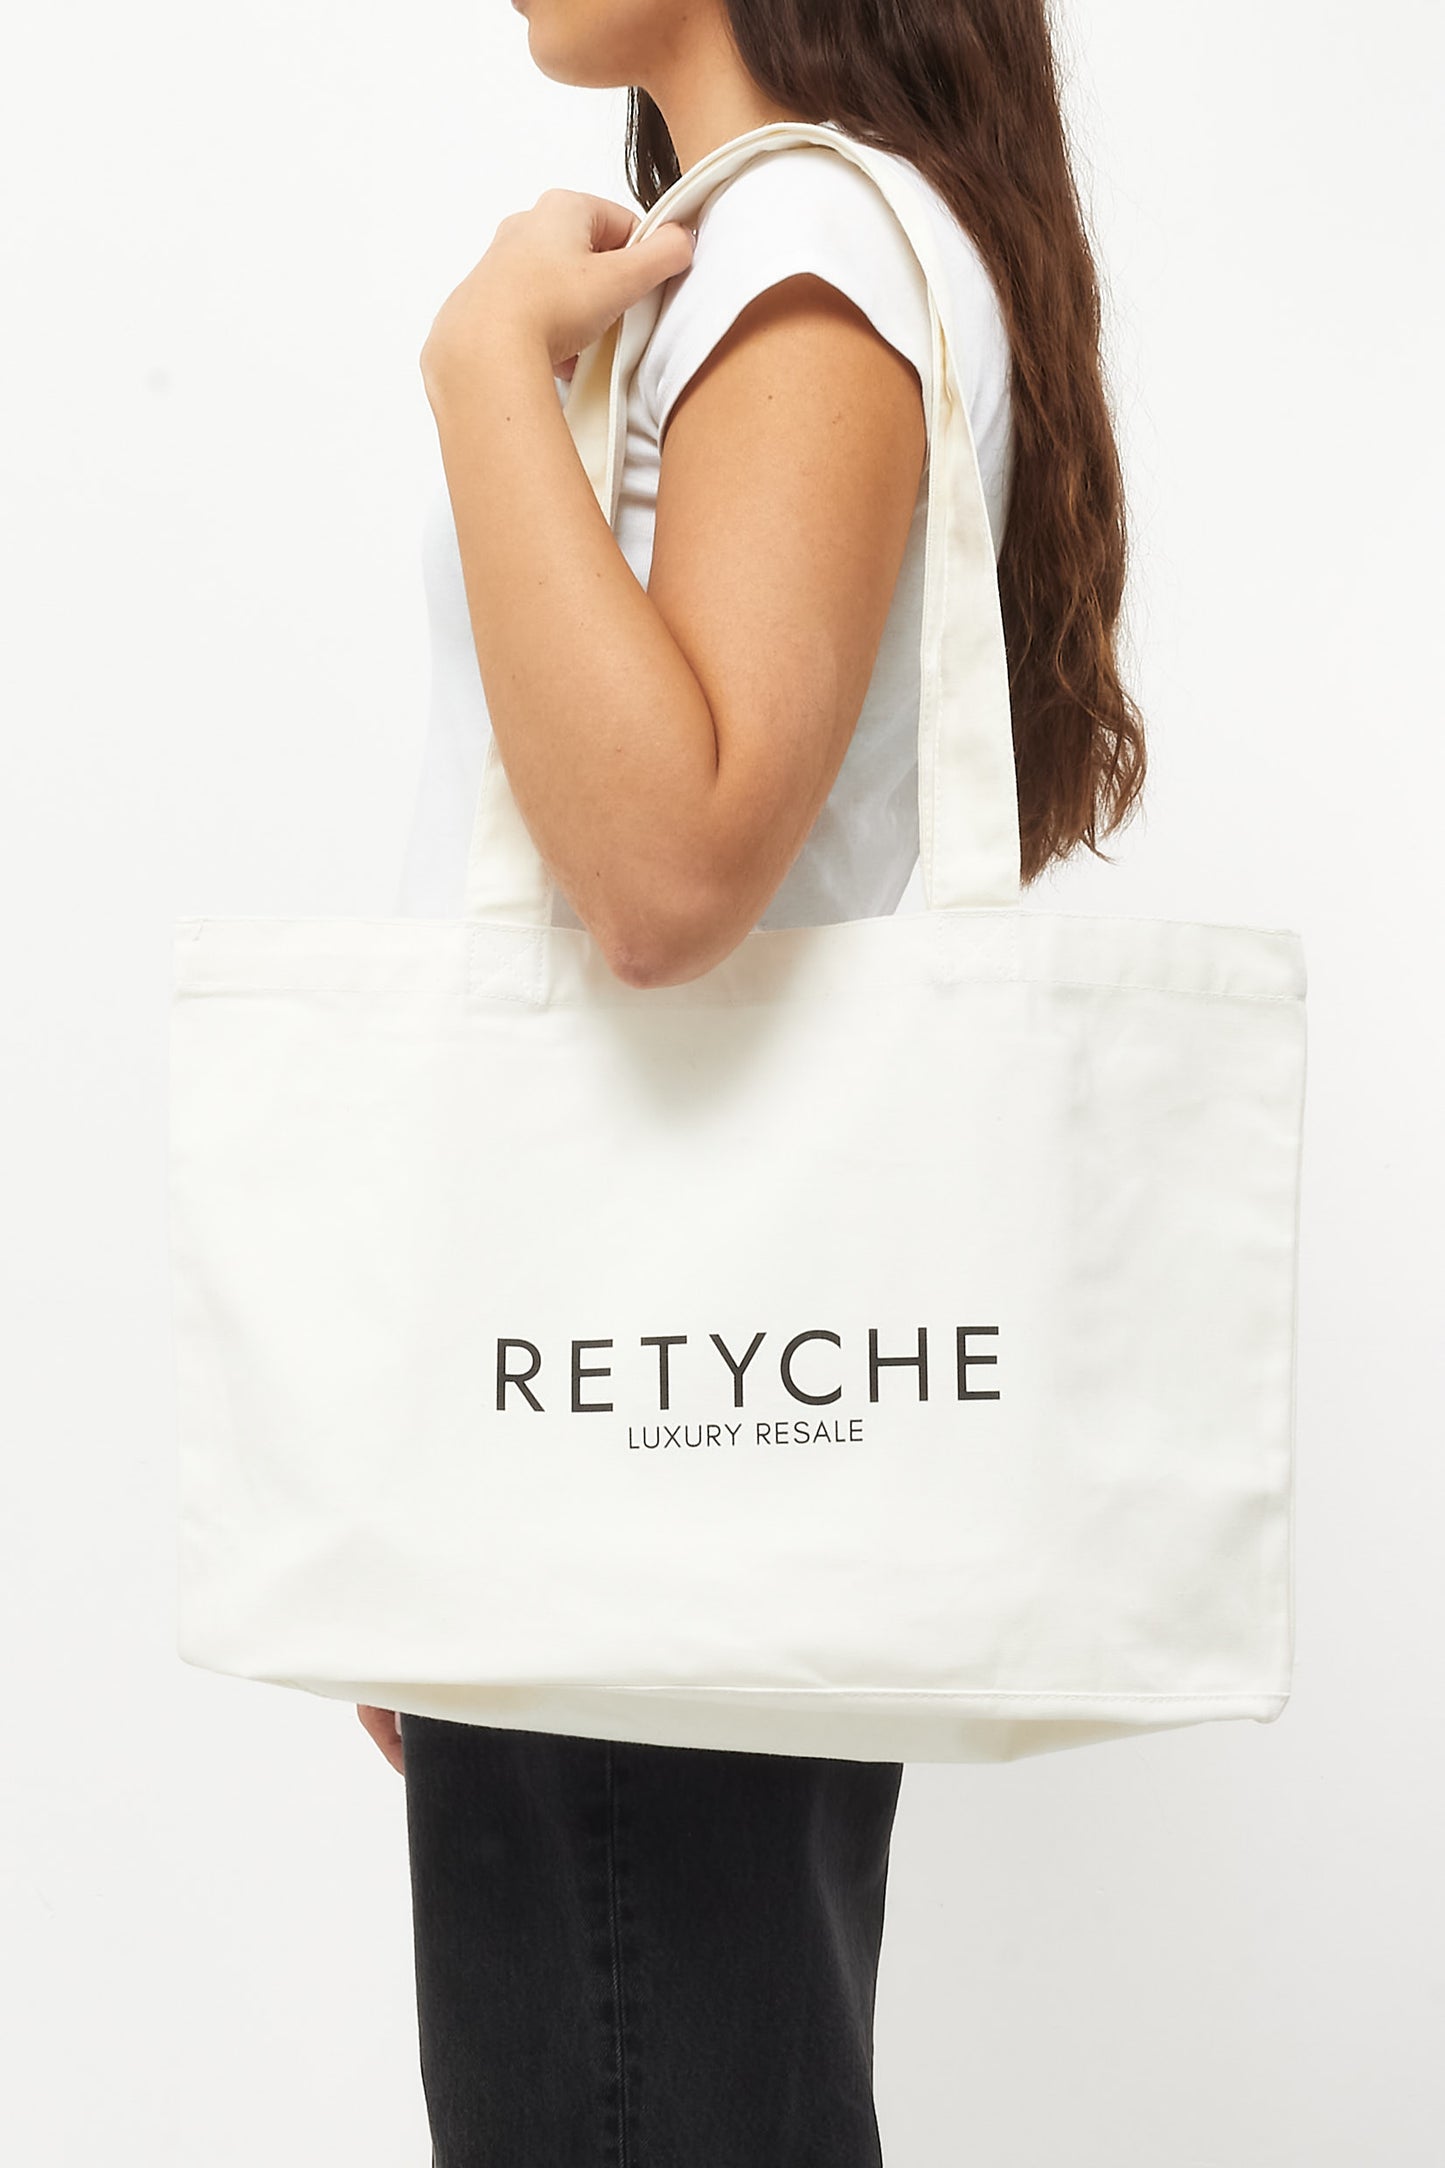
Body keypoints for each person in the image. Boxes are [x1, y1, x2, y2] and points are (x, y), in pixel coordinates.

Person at [358, 2, 1145, 2161]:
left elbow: (668, 870)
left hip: (646, 1401)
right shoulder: (776, 249)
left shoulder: (806, 255)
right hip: (630, 1384)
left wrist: (478, 373)